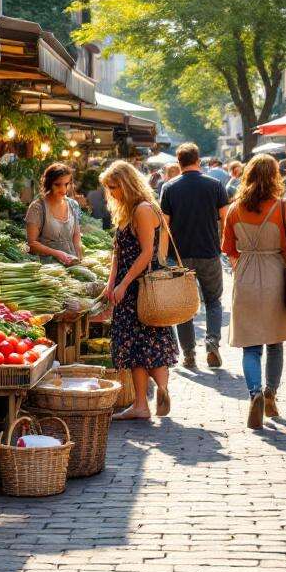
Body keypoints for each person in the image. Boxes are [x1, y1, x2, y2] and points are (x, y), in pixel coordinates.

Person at [222, 154, 286, 430]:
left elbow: (228, 248)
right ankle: (270, 393)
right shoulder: (283, 208)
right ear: (274, 177)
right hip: (276, 274)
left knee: (250, 345)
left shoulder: (235, 209)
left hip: (246, 275)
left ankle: (254, 393)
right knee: (275, 342)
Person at [102, 161, 177, 421]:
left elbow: (147, 253)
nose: (111, 193)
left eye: (114, 187)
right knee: (148, 340)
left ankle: (142, 403)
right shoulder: (128, 210)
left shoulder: (143, 210)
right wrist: (111, 282)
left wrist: (123, 284)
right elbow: (117, 251)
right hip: (129, 281)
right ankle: (158, 393)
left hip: (140, 285)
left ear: (126, 184)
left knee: (140, 343)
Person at [159, 143, 228, 369]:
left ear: (178, 163)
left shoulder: (169, 187)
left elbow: (164, 226)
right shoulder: (215, 185)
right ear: (199, 160)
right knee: (213, 301)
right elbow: (225, 220)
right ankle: (212, 343)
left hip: (179, 256)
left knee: (184, 305)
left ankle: (189, 354)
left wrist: (161, 256)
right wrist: (222, 245)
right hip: (209, 252)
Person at [26, 163, 84, 266]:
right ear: (48, 183)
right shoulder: (37, 207)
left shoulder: (73, 205)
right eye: (57, 184)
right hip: (48, 268)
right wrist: (57, 254)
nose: (63, 189)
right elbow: (32, 244)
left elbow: (76, 234)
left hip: (71, 263)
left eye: (67, 184)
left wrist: (79, 256)